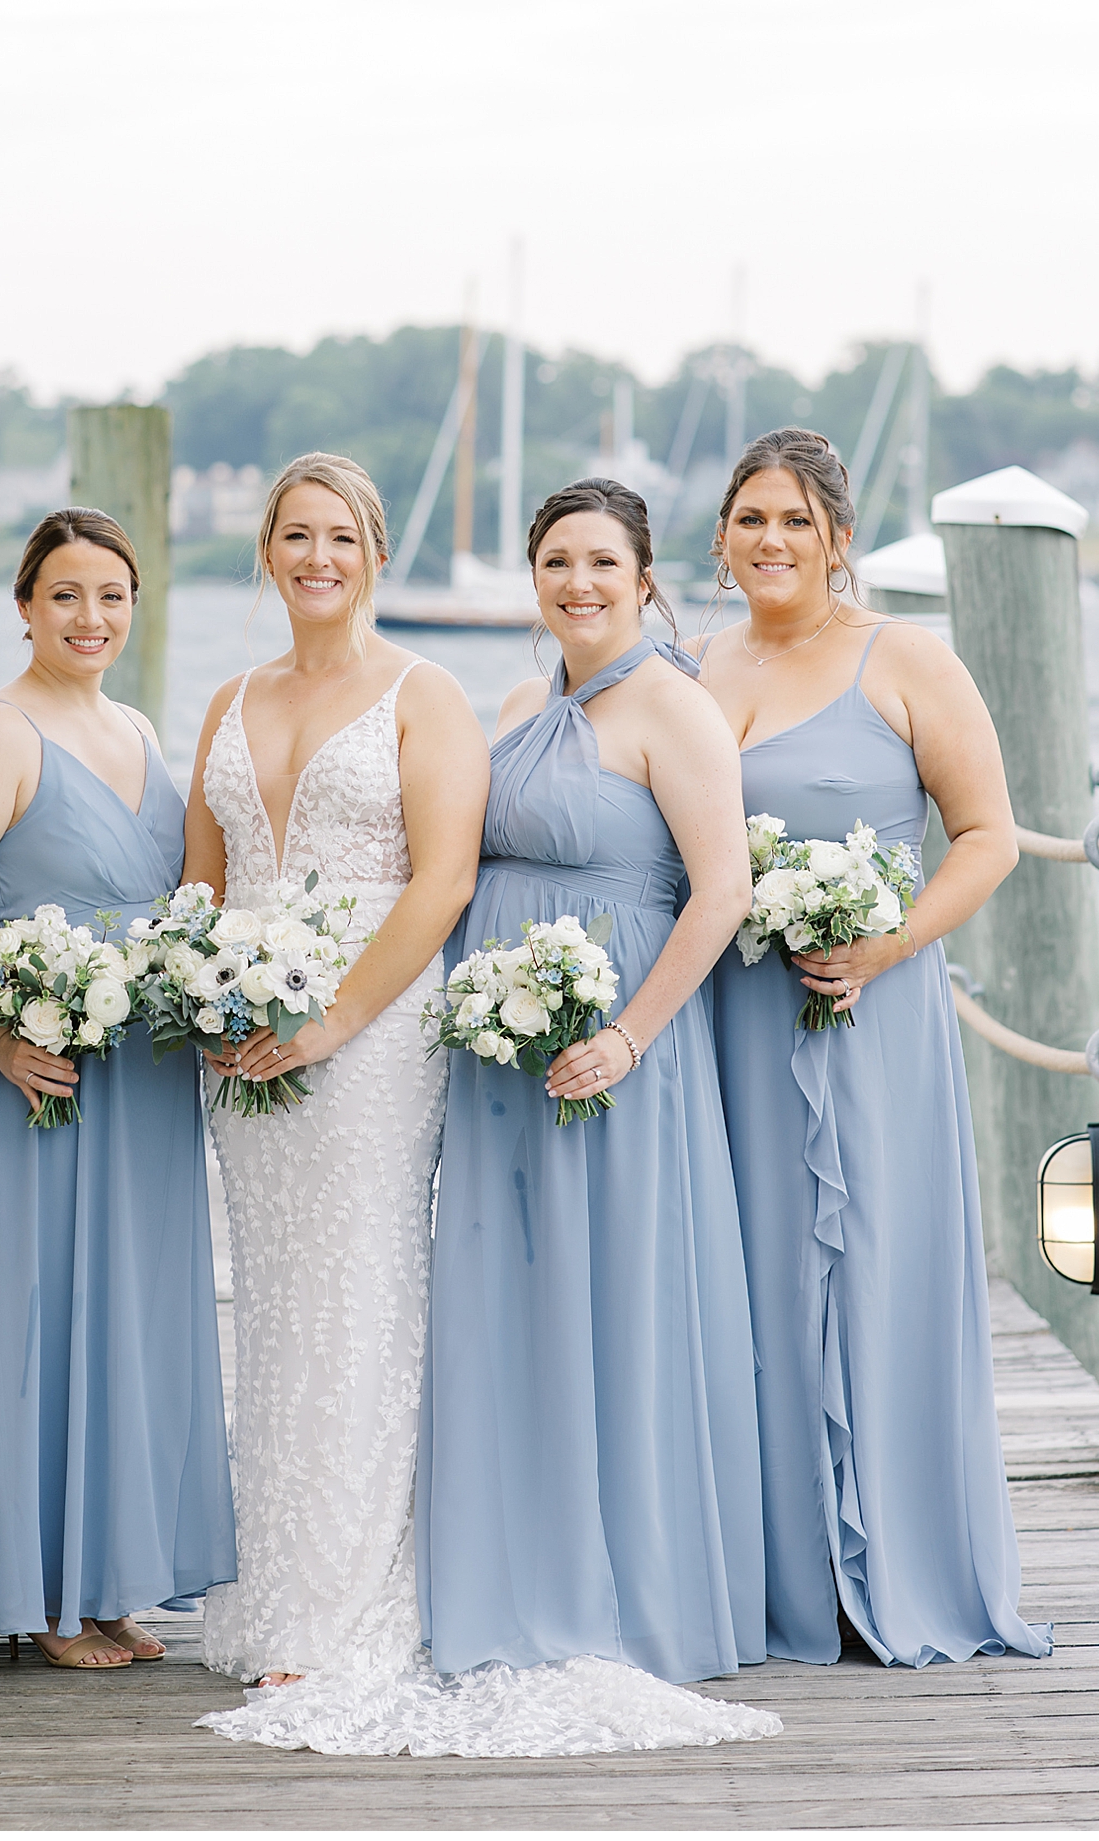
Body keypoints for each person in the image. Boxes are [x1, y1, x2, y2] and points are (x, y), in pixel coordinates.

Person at [696, 427, 1050, 1667]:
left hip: (869, 1018)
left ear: (839, 537)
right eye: (751, 518)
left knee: (875, 1274)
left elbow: (988, 836)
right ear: (722, 536)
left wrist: (886, 947)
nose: (772, 540)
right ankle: (783, 1570)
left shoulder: (906, 658)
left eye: (796, 519)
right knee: (752, 1288)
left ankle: (891, 1562)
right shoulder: (691, 667)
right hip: (732, 1028)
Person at [419, 480, 766, 1697]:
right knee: (510, 1295)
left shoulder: (677, 704)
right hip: (500, 1054)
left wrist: (624, 1037)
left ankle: (623, 1581)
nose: (578, 581)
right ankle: (506, 1558)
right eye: (557, 560)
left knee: (612, 1296)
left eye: (602, 561)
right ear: (533, 574)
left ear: (645, 574)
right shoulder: (520, 702)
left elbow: (718, 889)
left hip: (616, 1053)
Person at [183, 453, 490, 1695]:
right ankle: (281, 1592)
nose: (318, 557)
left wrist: (335, 1020)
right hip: (244, 1035)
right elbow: (201, 880)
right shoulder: (224, 699)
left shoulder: (427, 693)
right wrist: (197, 985)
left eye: (342, 537)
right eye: (296, 535)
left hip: (372, 1030)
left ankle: (351, 1608)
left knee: (361, 1293)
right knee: (271, 1297)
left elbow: (443, 879)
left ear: (375, 554)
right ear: (267, 551)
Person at [0, 509, 234, 1669]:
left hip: (144, 1069)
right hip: (47, 1070)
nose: (91, 618)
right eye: (65, 596)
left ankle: (105, 1583)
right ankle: (39, 1593)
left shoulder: (138, 726)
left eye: (112, 597)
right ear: (24, 605)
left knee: (129, 1314)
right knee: (44, 1312)